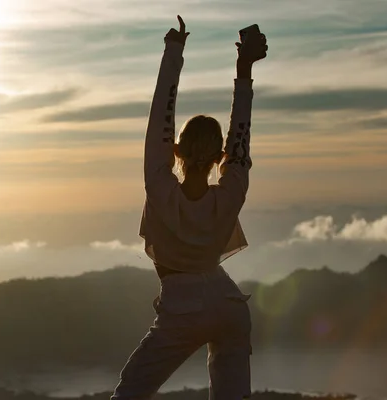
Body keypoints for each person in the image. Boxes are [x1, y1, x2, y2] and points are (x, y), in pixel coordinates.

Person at [111, 15, 268, 400]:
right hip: (229, 304)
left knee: (129, 393)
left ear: (176, 151)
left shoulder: (161, 187)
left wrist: (174, 52)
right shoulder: (230, 191)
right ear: (220, 156)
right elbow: (241, 137)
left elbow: (159, 123)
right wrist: (243, 69)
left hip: (182, 309)